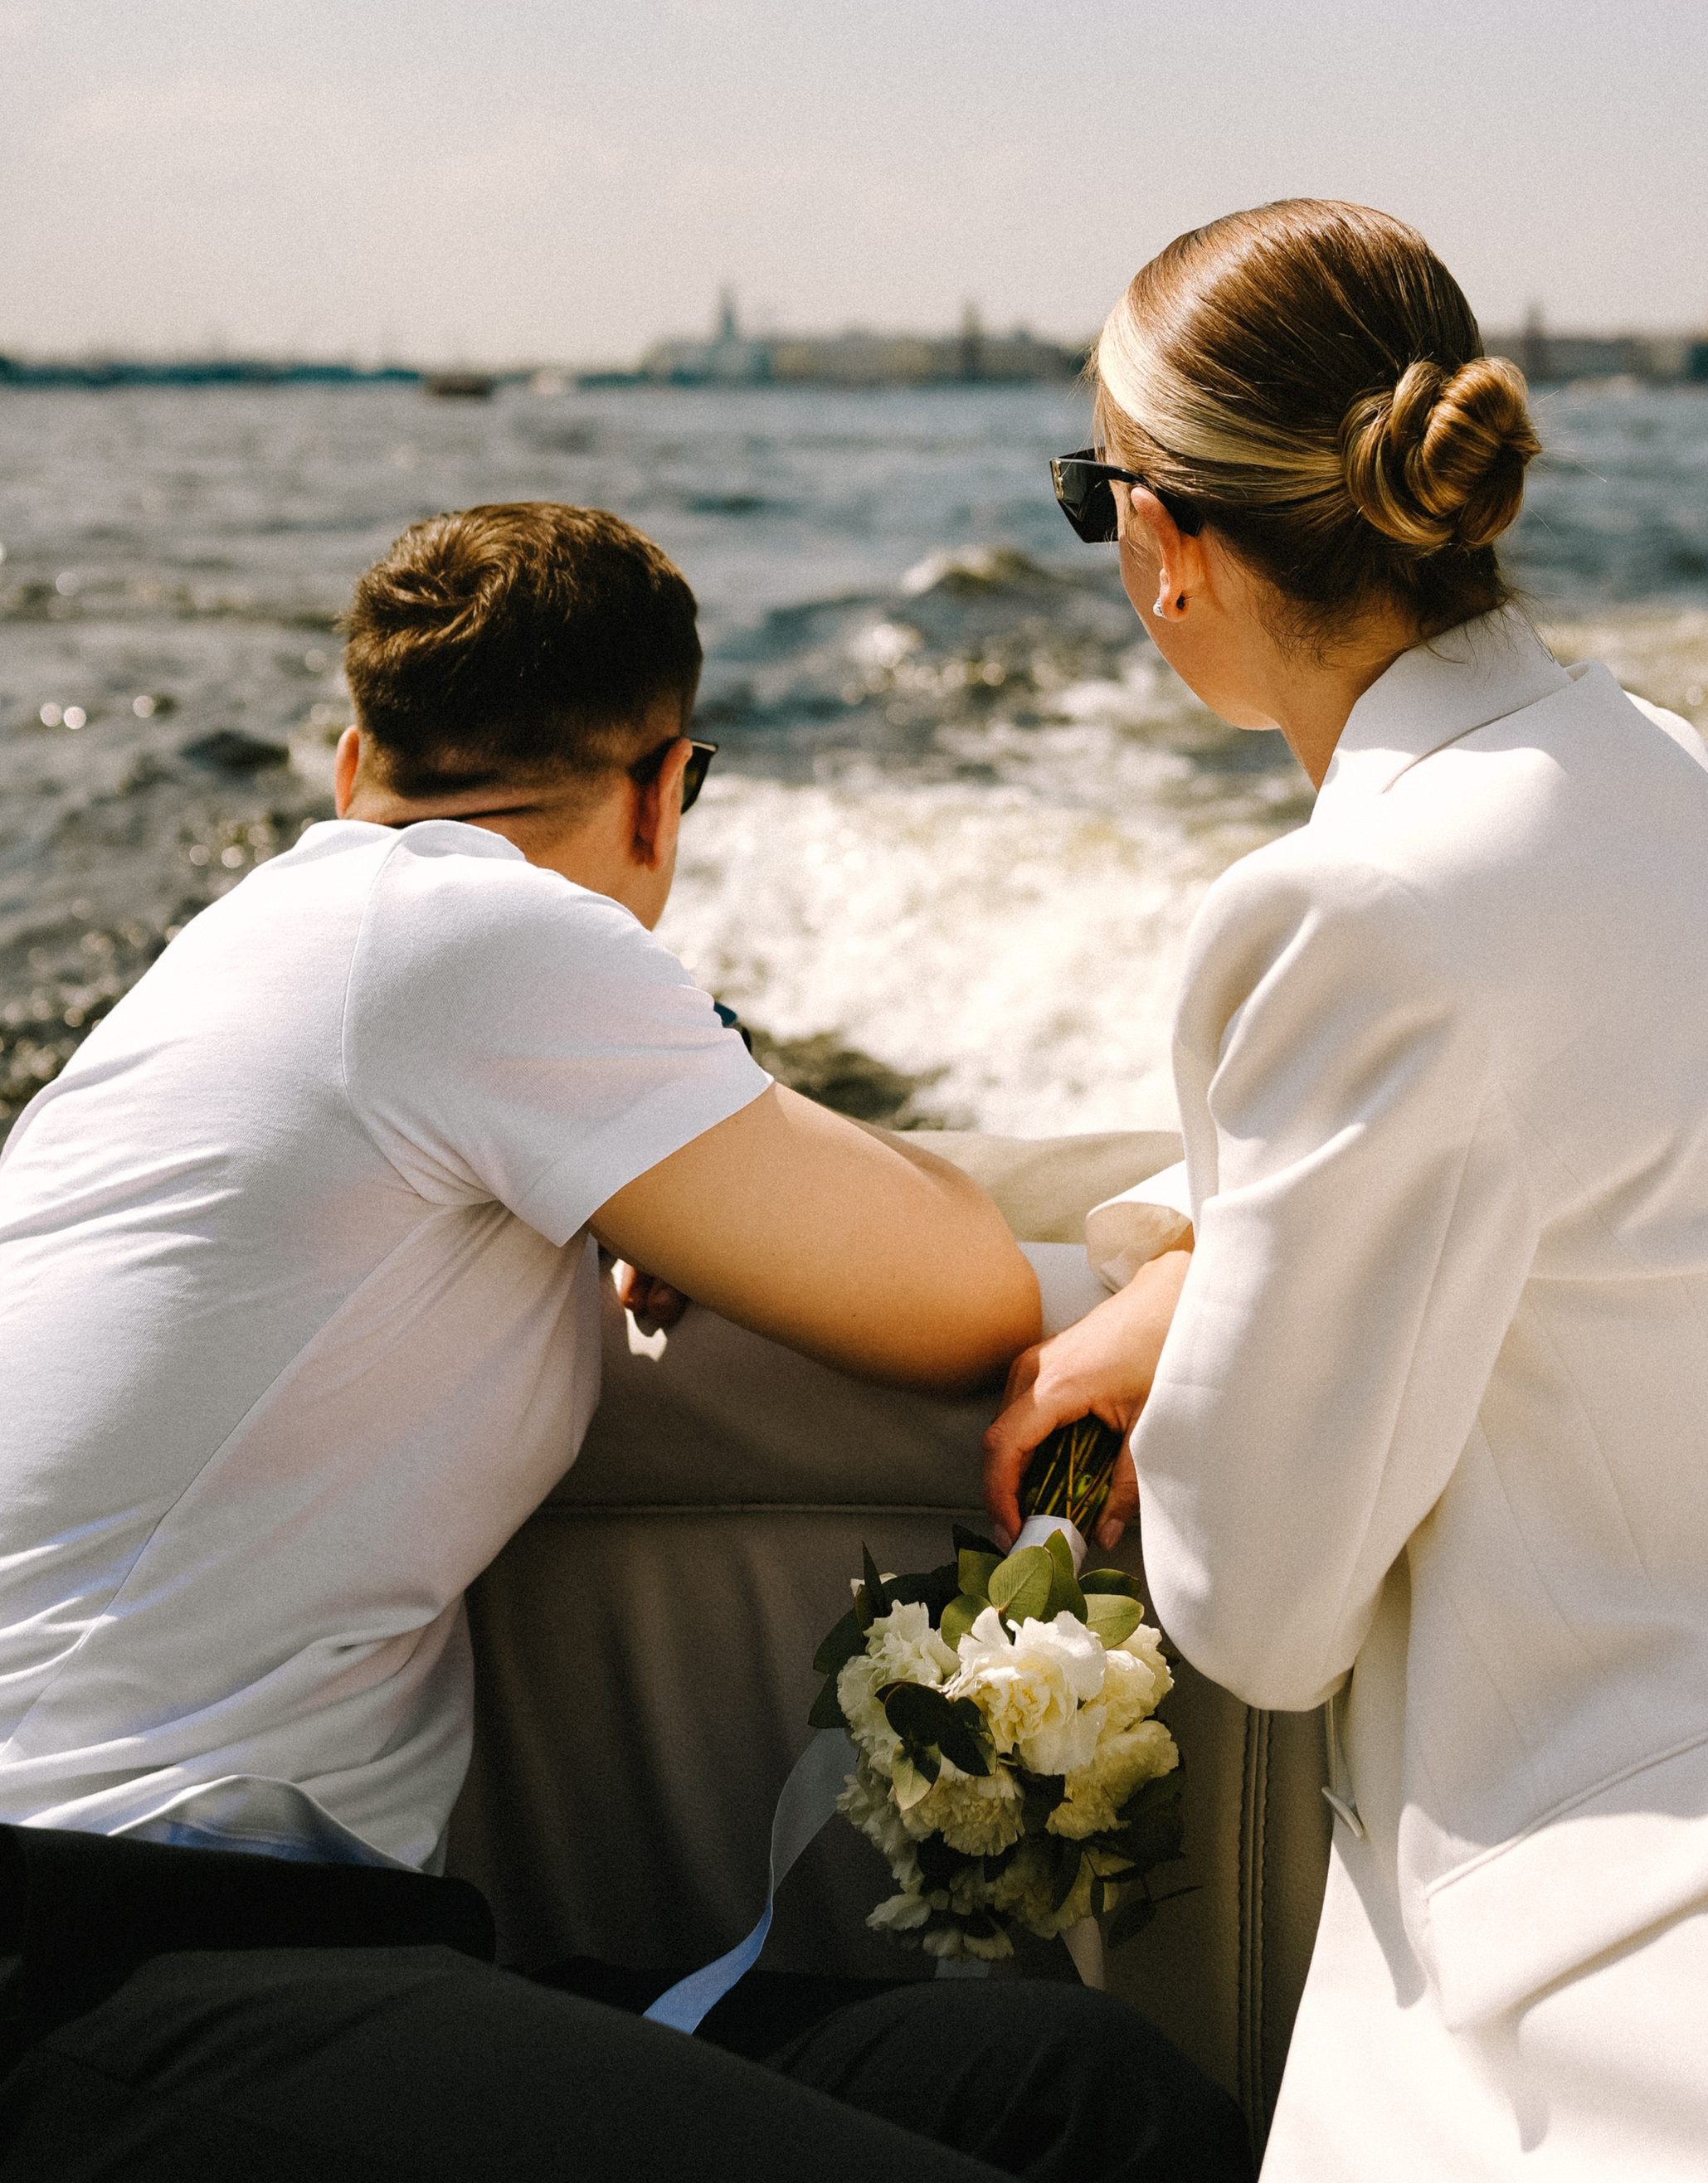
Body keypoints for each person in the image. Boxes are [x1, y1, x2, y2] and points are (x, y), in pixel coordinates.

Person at [989, 199, 1708, 2180]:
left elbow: (1255, 1612)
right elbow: (1537, 1076)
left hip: (1653, 2024)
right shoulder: (1643, 764)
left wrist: (1169, 1323)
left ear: (1170, 545)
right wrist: (1199, 1245)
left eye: (1097, 500)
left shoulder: (1339, 909)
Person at [0, 502, 1248, 2183]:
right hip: (90, 1941)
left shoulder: (249, 960)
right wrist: (1187, 1271)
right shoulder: (475, 937)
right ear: (666, 789)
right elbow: (947, 1290)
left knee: (1066, 2088)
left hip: (301, 1940)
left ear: (351, 754)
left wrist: (636, 1177)